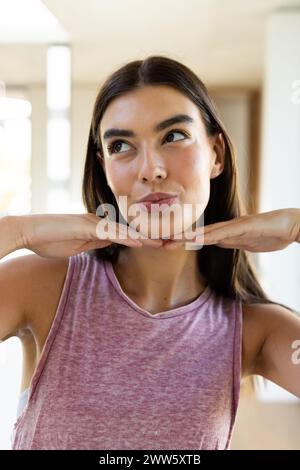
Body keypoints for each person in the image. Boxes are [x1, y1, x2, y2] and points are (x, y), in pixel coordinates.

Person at [0, 55, 299, 450]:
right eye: (121, 146)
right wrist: (17, 230)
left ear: (217, 154)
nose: (151, 168)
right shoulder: (43, 286)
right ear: (104, 167)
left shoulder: (256, 330)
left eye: (174, 136)